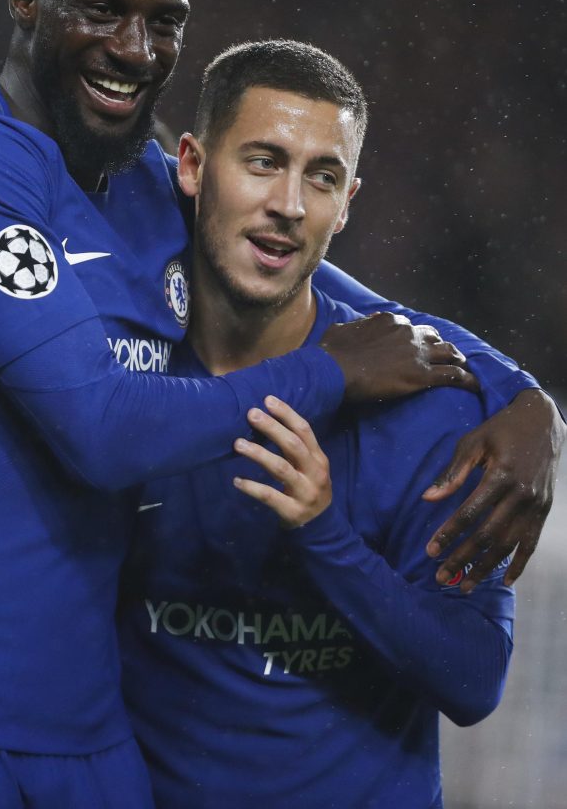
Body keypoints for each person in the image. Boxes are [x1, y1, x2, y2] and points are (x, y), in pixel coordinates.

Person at [0, 0, 562, 808]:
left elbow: (309, 275)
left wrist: (523, 399)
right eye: (102, 8)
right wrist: (325, 376)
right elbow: (103, 426)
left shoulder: (150, 183)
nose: (134, 47)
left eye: (164, 21)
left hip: (87, 737)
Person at [115, 40, 524, 807]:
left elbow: (473, 680)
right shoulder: (120, 380)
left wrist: (325, 538)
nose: (290, 204)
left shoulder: (432, 408)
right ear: (193, 167)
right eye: (263, 161)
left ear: (348, 202)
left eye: (322, 177)